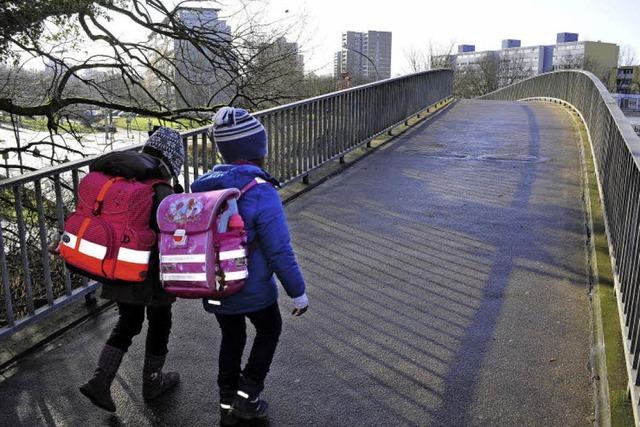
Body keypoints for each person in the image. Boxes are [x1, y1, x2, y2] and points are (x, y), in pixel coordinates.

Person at [191, 107, 309, 423]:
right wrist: (298, 293)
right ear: (258, 148)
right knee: (269, 329)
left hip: (214, 284)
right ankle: (248, 395)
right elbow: (279, 251)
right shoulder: (260, 191)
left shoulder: (203, 186)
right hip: (251, 286)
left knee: (232, 337)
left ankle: (226, 400)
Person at [78, 126, 185, 412]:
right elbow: (176, 233)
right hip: (149, 275)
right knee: (161, 323)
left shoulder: (121, 178)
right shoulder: (159, 189)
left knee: (128, 323)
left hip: (116, 267)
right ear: (173, 161)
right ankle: (153, 382)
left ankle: (100, 381)